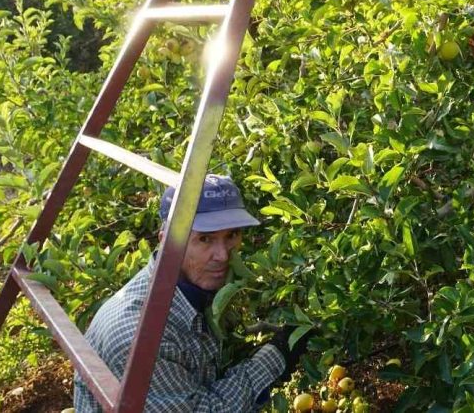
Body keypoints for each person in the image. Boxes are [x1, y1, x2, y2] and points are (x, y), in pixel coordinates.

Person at [73, 174, 307, 412]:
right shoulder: (142, 338)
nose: (223, 255)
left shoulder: (196, 289)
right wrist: (276, 355)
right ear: (167, 241)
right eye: (205, 239)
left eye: (232, 235)